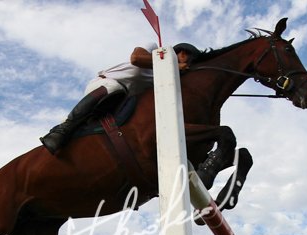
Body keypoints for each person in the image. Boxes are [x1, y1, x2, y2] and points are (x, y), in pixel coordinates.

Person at [40, 43, 200, 155]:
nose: (187, 66)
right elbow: (136, 58)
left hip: (120, 102)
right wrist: (171, 64)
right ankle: (63, 129)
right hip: (105, 84)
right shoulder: (153, 48)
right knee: (115, 88)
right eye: (188, 61)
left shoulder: (161, 78)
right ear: (182, 53)